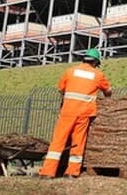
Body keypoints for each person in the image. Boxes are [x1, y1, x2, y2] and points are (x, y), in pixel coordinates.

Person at [39, 48, 112, 179]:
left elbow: (61, 89)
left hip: (67, 111)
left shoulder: (70, 71)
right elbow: (108, 91)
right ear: (95, 62)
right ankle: (72, 172)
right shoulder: (98, 75)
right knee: (78, 142)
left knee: (58, 141)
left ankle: (47, 172)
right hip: (84, 113)